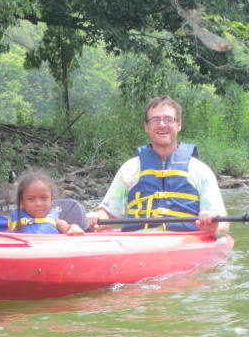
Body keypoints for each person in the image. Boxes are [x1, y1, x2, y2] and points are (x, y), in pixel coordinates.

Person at [87, 96, 229, 238]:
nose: (162, 124)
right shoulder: (129, 169)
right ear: (146, 126)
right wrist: (96, 217)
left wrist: (213, 226)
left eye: (168, 119)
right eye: (155, 120)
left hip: (186, 245)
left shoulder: (200, 171)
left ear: (179, 124)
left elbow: (222, 227)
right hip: (137, 246)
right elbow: (107, 212)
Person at [8, 169, 85, 234]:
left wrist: (74, 227)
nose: (38, 204)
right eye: (31, 199)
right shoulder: (15, 219)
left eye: (44, 198)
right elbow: (5, 236)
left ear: (52, 200)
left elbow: (68, 228)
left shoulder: (55, 220)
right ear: (22, 202)